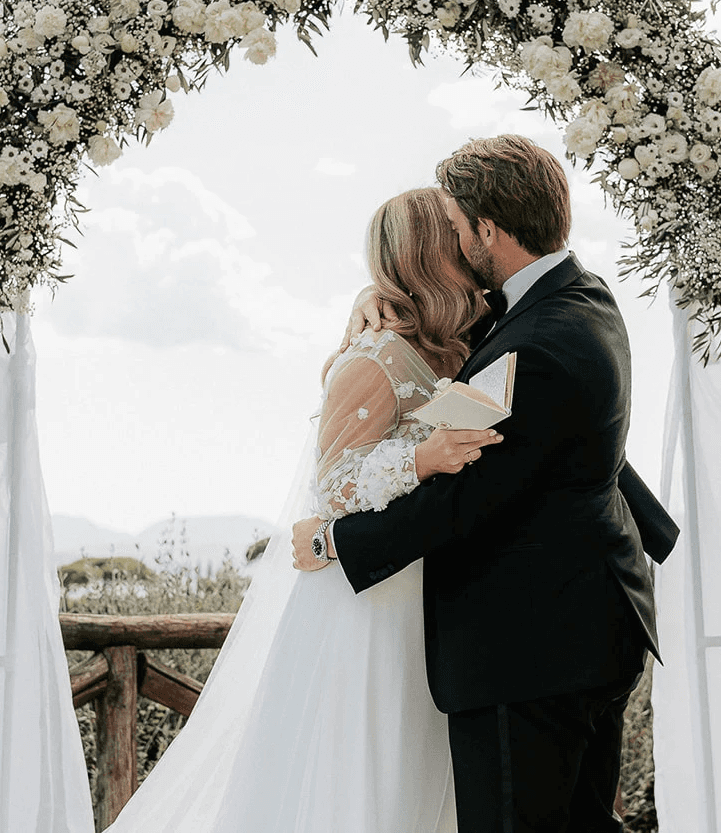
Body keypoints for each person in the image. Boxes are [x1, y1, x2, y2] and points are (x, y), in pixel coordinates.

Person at [293, 135, 678, 833]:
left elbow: (464, 496)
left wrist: (333, 539)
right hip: (591, 624)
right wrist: (380, 295)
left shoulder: (528, 347)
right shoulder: (580, 297)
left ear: (487, 231)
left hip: (529, 649)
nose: (453, 239)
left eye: (456, 224)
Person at [102, 187, 501, 833]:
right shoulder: (371, 357)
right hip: (370, 606)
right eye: (456, 232)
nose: (472, 241)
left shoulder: (451, 342)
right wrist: (419, 459)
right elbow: (335, 485)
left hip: (430, 591)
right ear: (432, 248)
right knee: (367, 776)